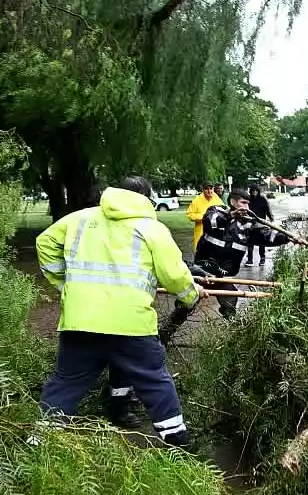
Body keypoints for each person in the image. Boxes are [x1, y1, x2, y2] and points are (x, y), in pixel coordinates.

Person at [36, 175, 209, 449]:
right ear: (147, 198)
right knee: (154, 380)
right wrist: (190, 296)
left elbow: (44, 244)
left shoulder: (78, 219)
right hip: (131, 325)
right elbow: (175, 275)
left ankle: (39, 440)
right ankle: (179, 443)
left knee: (66, 381)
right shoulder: (151, 228)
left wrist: (65, 283)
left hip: (80, 321)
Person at [195, 189, 291, 317]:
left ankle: (232, 329)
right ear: (232, 202)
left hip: (221, 276)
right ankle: (168, 329)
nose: (246, 207)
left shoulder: (248, 225)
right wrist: (231, 216)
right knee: (187, 301)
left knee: (230, 303)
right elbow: (210, 221)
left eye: (248, 204)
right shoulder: (216, 211)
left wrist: (287, 238)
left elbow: (266, 235)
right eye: (243, 203)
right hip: (201, 271)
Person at [186, 183, 224, 253]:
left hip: (214, 232)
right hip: (201, 232)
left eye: (211, 189)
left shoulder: (217, 199)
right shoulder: (197, 200)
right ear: (203, 190)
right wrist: (203, 217)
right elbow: (189, 214)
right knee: (200, 252)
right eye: (207, 189)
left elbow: (223, 213)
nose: (209, 191)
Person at [244, 184, 274, 266]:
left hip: (261, 222)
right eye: (253, 191)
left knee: (261, 241)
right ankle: (250, 260)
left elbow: (268, 209)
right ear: (251, 191)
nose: (254, 193)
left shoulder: (262, 199)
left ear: (258, 191)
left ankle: (262, 259)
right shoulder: (248, 199)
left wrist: (271, 218)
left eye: (255, 191)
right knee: (250, 242)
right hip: (251, 222)